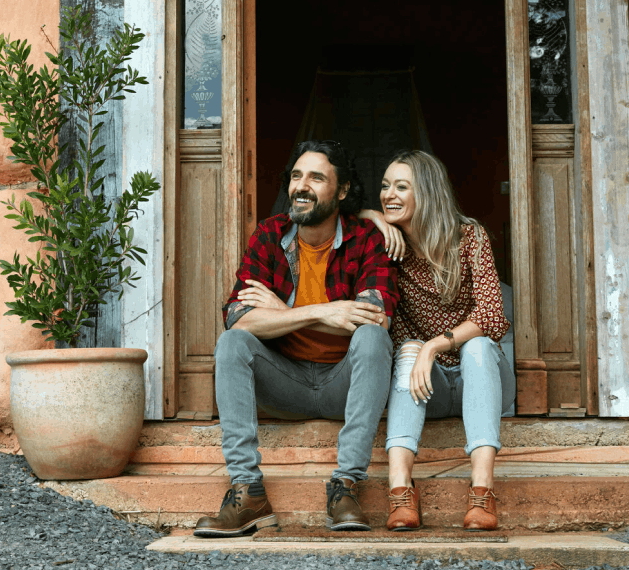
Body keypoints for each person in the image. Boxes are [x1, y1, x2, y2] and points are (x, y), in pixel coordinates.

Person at [193, 140, 398, 538]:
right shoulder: (271, 234)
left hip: (345, 385)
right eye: (297, 176)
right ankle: (247, 492)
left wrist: (279, 313)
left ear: (342, 190)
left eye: (317, 178)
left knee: (373, 338)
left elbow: (375, 317)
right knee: (232, 343)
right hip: (282, 383)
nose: (302, 186)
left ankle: (346, 486)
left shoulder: (366, 239)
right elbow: (237, 318)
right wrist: (322, 311)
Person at [361, 150, 515, 531]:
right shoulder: (390, 247)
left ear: (427, 193)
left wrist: (435, 345)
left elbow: (492, 315)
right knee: (409, 350)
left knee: (476, 345)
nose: (388, 194)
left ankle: (482, 492)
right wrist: (374, 218)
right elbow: (345, 219)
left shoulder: (469, 237)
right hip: (426, 386)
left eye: (401, 187)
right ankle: (400, 491)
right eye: (385, 186)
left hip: (480, 377)